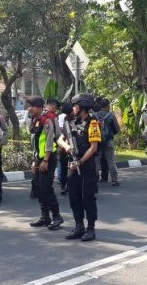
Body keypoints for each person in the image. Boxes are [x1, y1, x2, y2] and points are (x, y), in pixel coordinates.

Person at [58, 94, 101, 241]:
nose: (73, 108)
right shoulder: (71, 123)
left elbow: (93, 148)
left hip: (86, 165)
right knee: (73, 196)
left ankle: (90, 228)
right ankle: (78, 226)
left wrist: (80, 161)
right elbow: (60, 140)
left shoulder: (93, 123)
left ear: (82, 107)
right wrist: (67, 147)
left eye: (75, 106)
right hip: (73, 164)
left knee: (88, 197)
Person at [27, 96, 64, 230]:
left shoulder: (47, 120)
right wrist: (34, 159)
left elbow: (49, 140)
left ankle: (57, 216)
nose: (29, 108)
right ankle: (44, 217)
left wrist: (46, 160)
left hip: (47, 159)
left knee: (46, 188)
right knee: (39, 188)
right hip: (39, 158)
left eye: (31, 106)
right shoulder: (36, 120)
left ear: (38, 107)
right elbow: (36, 142)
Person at [96, 98, 120, 186]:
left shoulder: (95, 115)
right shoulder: (111, 116)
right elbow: (116, 129)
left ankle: (94, 179)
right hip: (108, 141)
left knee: (96, 160)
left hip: (97, 141)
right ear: (108, 105)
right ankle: (114, 180)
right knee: (111, 161)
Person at [57, 101, 73, 195]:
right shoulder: (68, 119)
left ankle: (64, 185)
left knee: (63, 167)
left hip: (64, 147)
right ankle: (64, 185)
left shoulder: (66, 118)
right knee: (64, 167)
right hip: (65, 147)